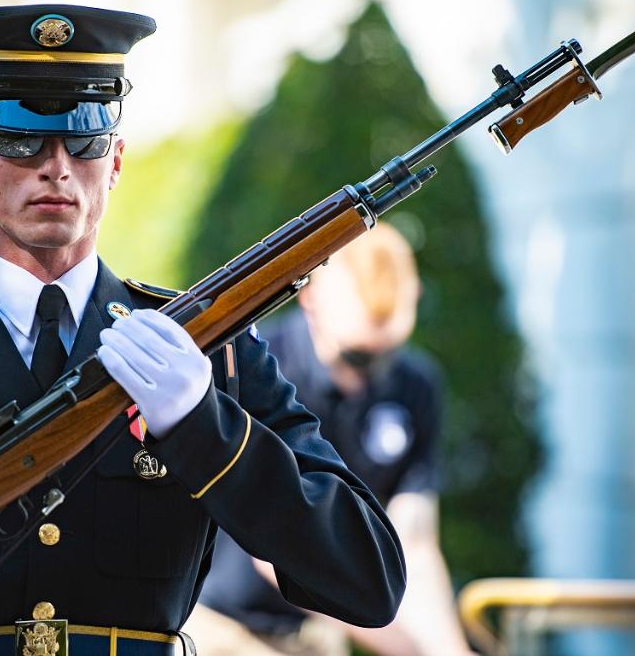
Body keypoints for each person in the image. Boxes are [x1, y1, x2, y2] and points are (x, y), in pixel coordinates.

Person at [0, 5, 406, 655]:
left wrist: (206, 427)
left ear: (115, 159)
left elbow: (369, 579)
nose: (55, 165)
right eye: (19, 136)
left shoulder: (205, 353)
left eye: (83, 138)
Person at [189, 224, 474, 656]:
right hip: (224, 622)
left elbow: (413, 538)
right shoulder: (256, 366)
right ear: (311, 298)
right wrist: (413, 648)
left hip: (319, 628)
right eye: (354, 356)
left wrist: (450, 648)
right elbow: (273, 547)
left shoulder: (415, 385)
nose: (363, 378)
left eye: (385, 355)